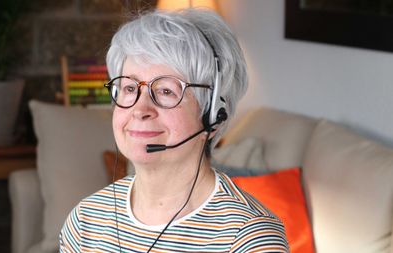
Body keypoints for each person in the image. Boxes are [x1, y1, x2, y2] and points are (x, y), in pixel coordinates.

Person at [59, 8, 290, 253]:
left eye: (166, 91)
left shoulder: (249, 238)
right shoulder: (85, 222)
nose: (140, 108)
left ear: (212, 116)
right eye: (128, 88)